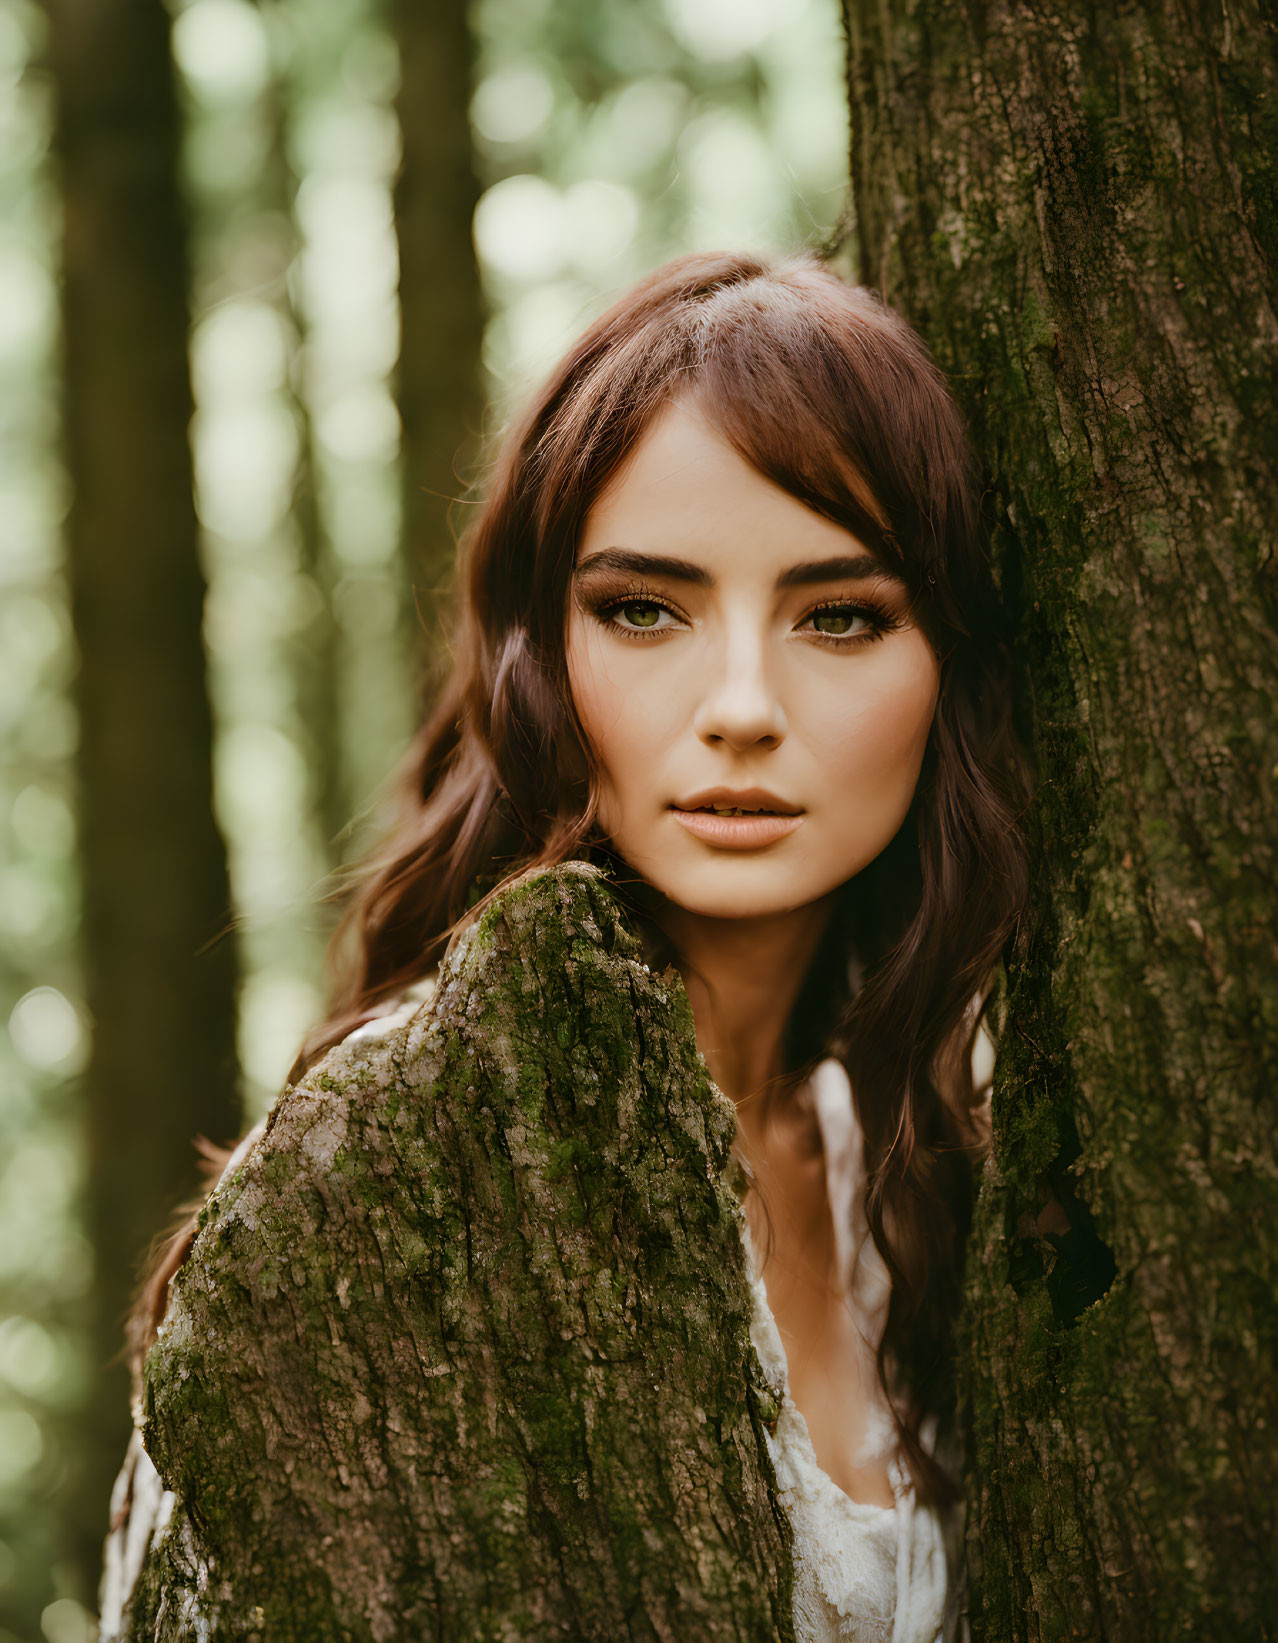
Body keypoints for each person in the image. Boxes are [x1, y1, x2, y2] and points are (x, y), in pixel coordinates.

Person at [102, 250, 1029, 1641]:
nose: (738, 707)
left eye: (837, 615)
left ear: (943, 663)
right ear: (541, 653)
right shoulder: (397, 1161)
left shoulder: (923, 1168)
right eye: (643, 609)